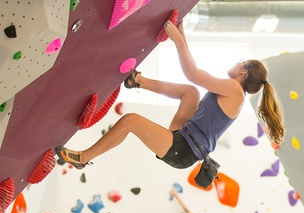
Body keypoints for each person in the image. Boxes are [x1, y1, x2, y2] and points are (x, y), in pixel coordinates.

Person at [55, 20, 284, 169]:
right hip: (183, 136)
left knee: (131, 121)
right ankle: (138, 81)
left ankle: (83, 158)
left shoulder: (235, 90)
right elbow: (194, 78)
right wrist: (181, 35)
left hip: (182, 150)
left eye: (240, 62)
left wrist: (177, 42)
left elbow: (194, 73)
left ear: (243, 72)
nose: (236, 63)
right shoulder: (234, 92)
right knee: (191, 93)